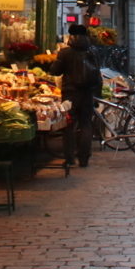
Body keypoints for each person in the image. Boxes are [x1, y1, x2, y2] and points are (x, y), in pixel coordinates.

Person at [46, 27, 101, 168]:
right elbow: (97, 74)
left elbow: (55, 71)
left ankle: (69, 158)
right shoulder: (93, 51)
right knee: (86, 125)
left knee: (68, 125)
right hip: (87, 93)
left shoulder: (65, 52)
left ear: (70, 36)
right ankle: (84, 159)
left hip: (70, 93)